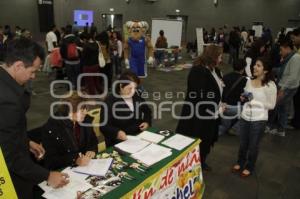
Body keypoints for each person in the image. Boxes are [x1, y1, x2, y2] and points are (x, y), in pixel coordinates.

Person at [0, 38, 69, 199]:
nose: (33, 77)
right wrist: (47, 175)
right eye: (32, 71)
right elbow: (11, 157)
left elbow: (6, 133)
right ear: (18, 66)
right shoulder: (8, 101)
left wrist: (26, 141)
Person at [176, 45, 224, 171]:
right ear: (212, 56)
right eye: (219, 56)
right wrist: (215, 106)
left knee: (207, 139)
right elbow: (199, 95)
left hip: (211, 114)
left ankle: (201, 161)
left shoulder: (216, 70)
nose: (221, 59)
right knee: (195, 140)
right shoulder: (198, 71)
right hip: (198, 115)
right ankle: (189, 165)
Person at [232, 56, 277, 177]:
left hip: (259, 120)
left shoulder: (270, 85)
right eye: (255, 65)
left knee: (253, 145)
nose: (254, 67)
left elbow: (272, 105)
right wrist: (243, 97)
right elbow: (246, 94)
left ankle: (249, 166)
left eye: (258, 65)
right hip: (245, 116)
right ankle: (240, 162)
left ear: (265, 70)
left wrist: (255, 102)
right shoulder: (249, 80)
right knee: (243, 143)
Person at [41, 91, 98, 170]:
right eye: (82, 109)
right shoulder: (53, 127)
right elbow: (51, 160)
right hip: (64, 170)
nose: (86, 112)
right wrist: (75, 159)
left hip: (85, 166)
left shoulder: (85, 120)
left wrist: (92, 149)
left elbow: (93, 140)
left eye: (86, 108)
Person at [100, 71, 152, 147]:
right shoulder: (110, 101)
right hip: (118, 141)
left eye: (135, 88)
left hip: (138, 137)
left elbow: (147, 111)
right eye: (130, 88)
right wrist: (117, 132)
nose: (133, 91)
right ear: (121, 86)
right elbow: (103, 125)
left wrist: (147, 122)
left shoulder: (136, 97)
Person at [267, 38, 300, 136]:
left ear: (287, 48)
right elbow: (285, 71)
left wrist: (282, 88)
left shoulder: (295, 58)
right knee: (283, 108)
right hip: (286, 86)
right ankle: (281, 129)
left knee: (275, 106)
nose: (280, 53)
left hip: (288, 87)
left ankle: (270, 126)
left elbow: (293, 77)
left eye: (281, 50)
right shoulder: (289, 58)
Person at [219, 59, 247, 135]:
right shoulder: (245, 80)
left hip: (223, 108)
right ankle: (235, 128)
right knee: (250, 109)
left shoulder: (225, 77)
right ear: (243, 68)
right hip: (236, 109)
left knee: (224, 128)